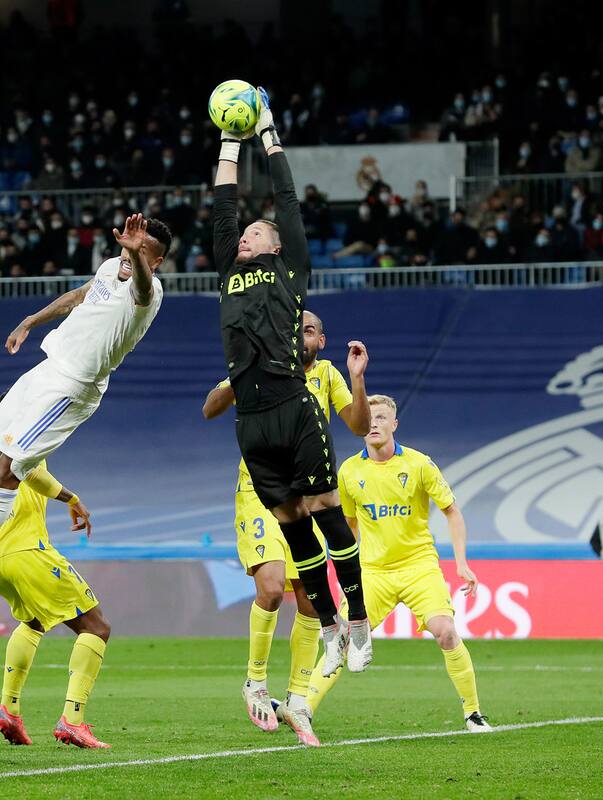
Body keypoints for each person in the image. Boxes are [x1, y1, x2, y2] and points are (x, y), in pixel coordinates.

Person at [0, 214, 168, 597]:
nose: (132, 254)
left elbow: (142, 289)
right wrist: (30, 320)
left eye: (145, 251)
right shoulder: (111, 267)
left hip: (72, 387)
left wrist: (136, 255)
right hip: (48, 368)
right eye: (131, 246)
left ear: (156, 261)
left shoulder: (150, 291)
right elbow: (78, 296)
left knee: (10, 469)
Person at [213, 86, 372, 681]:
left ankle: (359, 619)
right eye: (246, 234)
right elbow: (222, 205)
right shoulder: (230, 268)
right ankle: (330, 624)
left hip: (292, 403)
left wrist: (268, 133)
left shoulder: (291, 268)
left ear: (278, 246)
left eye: (258, 233)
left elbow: (287, 198)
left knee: (327, 510)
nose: (248, 236)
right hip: (250, 423)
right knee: (291, 523)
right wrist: (230, 140)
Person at [202, 310, 369, 746]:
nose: (302, 336)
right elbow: (209, 409)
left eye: (310, 330)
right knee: (272, 588)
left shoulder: (329, 373)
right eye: (296, 330)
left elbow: (358, 426)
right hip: (260, 490)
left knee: (311, 603)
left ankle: (297, 699)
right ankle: (255, 681)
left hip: (306, 495)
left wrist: (357, 377)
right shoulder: (263, 367)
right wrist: (242, 374)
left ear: (322, 341)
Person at [307, 395, 492, 734]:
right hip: (373, 573)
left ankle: (473, 713)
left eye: (381, 417)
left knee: (446, 632)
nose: (374, 423)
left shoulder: (420, 464)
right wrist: (342, 573)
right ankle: (304, 710)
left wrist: (462, 563)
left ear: (394, 424)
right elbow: (348, 527)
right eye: (369, 418)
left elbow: (452, 511)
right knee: (343, 639)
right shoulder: (349, 471)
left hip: (418, 567)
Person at [0, 408, 105, 747]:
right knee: (95, 627)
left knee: (33, 622)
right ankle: (72, 720)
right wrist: (71, 498)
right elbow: (29, 471)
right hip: (26, 552)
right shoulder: (22, 439)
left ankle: (9, 709)